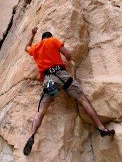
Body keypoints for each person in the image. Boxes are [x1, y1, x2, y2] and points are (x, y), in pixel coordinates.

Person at [23, 27, 115, 155]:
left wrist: (32, 34)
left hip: (48, 80)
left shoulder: (36, 48)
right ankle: (101, 128)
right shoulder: (53, 40)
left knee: (41, 111)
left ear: (42, 38)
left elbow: (26, 47)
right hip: (61, 75)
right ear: (50, 37)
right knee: (82, 99)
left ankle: (31, 136)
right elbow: (68, 55)